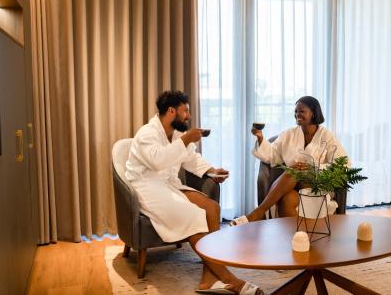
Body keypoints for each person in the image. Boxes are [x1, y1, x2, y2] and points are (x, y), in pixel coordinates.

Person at [126, 90, 263, 295]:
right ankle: (230, 280)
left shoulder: (178, 133)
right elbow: (157, 161)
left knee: (212, 208)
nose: (188, 116)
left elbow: (191, 158)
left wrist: (211, 170)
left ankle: (207, 279)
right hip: (147, 187)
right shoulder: (147, 133)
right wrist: (186, 140)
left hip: (169, 184)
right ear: (171, 111)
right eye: (185, 111)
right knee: (193, 215)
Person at [231, 96, 348, 225]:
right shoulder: (289, 134)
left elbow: (343, 165)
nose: (297, 114)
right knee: (287, 199)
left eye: (302, 111)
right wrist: (260, 138)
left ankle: (257, 214)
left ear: (313, 113)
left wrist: (313, 168)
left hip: (316, 185)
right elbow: (272, 154)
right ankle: (300, 238)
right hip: (292, 187)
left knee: (294, 170)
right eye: (296, 111)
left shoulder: (326, 136)